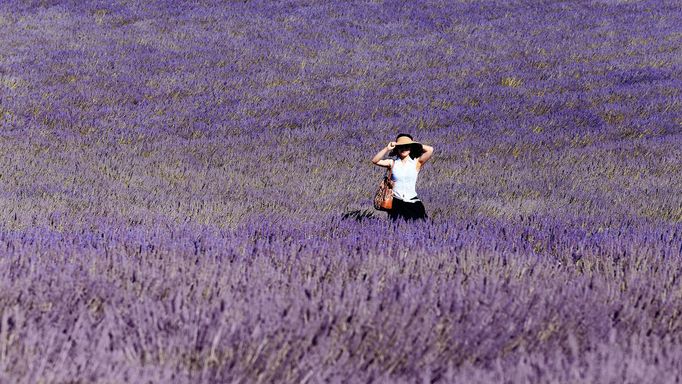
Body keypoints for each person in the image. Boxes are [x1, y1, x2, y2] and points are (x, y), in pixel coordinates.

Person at [371, 133, 434, 222]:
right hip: (396, 203)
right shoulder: (392, 163)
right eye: (401, 146)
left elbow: (430, 150)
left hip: (413, 202)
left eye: (407, 146)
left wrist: (414, 143)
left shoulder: (416, 162)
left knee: (422, 226)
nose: (404, 149)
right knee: (395, 228)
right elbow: (375, 160)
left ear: (411, 148)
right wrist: (387, 148)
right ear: (397, 149)